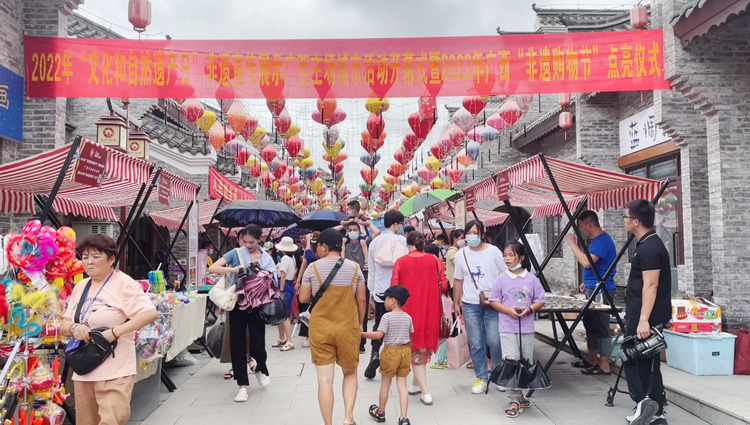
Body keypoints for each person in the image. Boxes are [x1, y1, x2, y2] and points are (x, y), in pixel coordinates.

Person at [61, 234, 159, 425]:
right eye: (85, 257)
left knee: (112, 420)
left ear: (111, 259)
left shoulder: (125, 284)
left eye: (96, 256)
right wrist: (74, 327)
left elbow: (149, 313)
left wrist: (116, 332)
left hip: (116, 369)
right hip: (84, 369)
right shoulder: (81, 287)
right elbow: (63, 325)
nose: (89, 262)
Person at [299, 229, 367, 425]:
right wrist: (360, 323)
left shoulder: (312, 268)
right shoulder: (355, 268)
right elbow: (361, 299)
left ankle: (328, 423)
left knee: (324, 380)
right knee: (350, 373)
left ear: (324, 246)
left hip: (321, 329)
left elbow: (304, 298)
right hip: (347, 328)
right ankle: (348, 418)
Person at [208, 224, 277, 402]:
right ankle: (242, 386)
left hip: (257, 306)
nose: (247, 245)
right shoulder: (236, 254)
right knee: (237, 345)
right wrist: (234, 269)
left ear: (260, 240)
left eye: (251, 242)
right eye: (244, 241)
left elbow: (274, 282)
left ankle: (260, 368)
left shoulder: (267, 258)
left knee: (257, 346)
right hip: (237, 304)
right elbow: (212, 268)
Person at [622, 200, 671, 425]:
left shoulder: (650, 247)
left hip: (646, 317)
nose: (624, 221)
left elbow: (651, 285)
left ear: (636, 221)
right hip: (641, 313)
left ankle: (645, 404)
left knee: (634, 359)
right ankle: (653, 407)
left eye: (625, 217)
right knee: (647, 363)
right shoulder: (647, 243)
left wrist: (643, 320)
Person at [489, 242, 546, 418]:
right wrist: (508, 311)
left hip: (527, 328)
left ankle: (520, 394)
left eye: (511, 255)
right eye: (505, 255)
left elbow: (540, 300)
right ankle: (513, 397)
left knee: (525, 361)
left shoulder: (532, 279)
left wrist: (529, 309)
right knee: (511, 360)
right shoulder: (501, 279)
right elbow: (493, 300)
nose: (507, 259)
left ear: (521, 258)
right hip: (507, 327)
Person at [391, 231, 449, 406]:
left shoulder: (400, 262)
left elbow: (394, 288)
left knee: (415, 347)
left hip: (408, 311)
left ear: (408, 244)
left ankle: (425, 391)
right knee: (422, 346)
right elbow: (444, 285)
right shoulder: (435, 260)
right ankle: (417, 385)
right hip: (430, 309)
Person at [452, 219, 506, 394]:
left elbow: (505, 272)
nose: (472, 236)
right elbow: (458, 280)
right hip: (470, 304)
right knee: (476, 343)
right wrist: (456, 302)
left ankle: (498, 375)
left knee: (495, 341)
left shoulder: (493, 251)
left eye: (476, 233)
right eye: (469, 233)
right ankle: (481, 377)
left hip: (492, 303)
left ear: (482, 234)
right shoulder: (461, 255)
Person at [565, 210, 617, 375]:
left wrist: (573, 244)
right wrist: (586, 282)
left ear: (590, 225)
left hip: (602, 290)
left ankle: (604, 364)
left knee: (601, 326)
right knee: (591, 325)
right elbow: (596, 267)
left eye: (582, 226)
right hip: (593, 286)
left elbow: (587, 262)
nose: (581, 230)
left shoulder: (602, 240)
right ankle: (592, 358)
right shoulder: (597, 241)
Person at [365, 210, 408, 379]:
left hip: (380, 290)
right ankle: (392, 361)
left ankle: (375, 352)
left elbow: (372, 270)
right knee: (397, 325)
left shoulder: (375, 243)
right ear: (396, 224)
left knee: (379, 325)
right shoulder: (402, 241)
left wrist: (372, 293)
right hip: (398, 290)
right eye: (400, 224)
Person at [362, 286, 414, 425]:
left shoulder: (387, 317)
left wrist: (361, 334)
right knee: (402, 385)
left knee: (385, 384)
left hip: (390, 352)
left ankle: (381, 412)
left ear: (393, 300)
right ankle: (403, 417)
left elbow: (378, 335)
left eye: (385, 298)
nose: (383, 301)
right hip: (405, 352)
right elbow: (410, 337)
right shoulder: (408, 317)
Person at [432, 228, 465, 370]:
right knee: (450, 326)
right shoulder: (453, 252)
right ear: (456, 239)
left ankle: (443, 358)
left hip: (453, 289)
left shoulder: (454, 252)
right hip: (454, 288)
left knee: (450, 326)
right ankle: (443, 358)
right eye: (463, 237)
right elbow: (460, 268)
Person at [339, 220, 372, 354]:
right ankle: (349, 341)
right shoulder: (344, 244)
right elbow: (330, 232)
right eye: (350, 229)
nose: (352, 232)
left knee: (361, 312)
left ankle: (361, 343)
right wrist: (344, 223)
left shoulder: (364, 242)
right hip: (347, 281)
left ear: (359, 231)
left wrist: (363, 222)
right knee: (347, 313)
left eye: (355, 229)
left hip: (362, 279)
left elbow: (377, 232)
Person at [295, 231, 320, 348]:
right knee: (306, 309)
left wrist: (310, 241)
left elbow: (309, 256)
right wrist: (298, 281)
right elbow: (303, 266)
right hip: (308, 282)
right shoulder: (309, 251)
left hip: (318, 283)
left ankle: (314, 336)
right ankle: (308, 336)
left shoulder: (321, 252)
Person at [274, 236, 298, 352]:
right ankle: (282, 338)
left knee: (283, 315)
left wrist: (281, 290)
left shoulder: (284, 259)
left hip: (284, 285)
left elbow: (283, 275)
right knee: (281, 314)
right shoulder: (291, 258)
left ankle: (289, 340)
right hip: (289, 285)